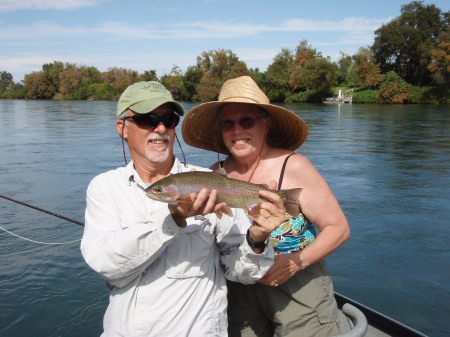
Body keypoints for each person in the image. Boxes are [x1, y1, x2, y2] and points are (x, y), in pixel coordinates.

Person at [80, 81, 288, 337]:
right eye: (147, 120)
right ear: (122, 128)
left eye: (169, 120)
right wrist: (174, 220)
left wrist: (257, 238)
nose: (160, 128)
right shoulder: (105, 188)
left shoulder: (205, 178)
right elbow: (106, 264)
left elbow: (242, 273)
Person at [181, 76, 351, 337]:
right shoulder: (214, 174)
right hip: (239, 286)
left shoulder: (294, 166)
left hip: (297, 283)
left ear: (266, 124)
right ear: (221, 131)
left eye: (246, 120)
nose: (237, 129)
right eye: (228, 123)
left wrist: (296, 262)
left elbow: (338, 228)